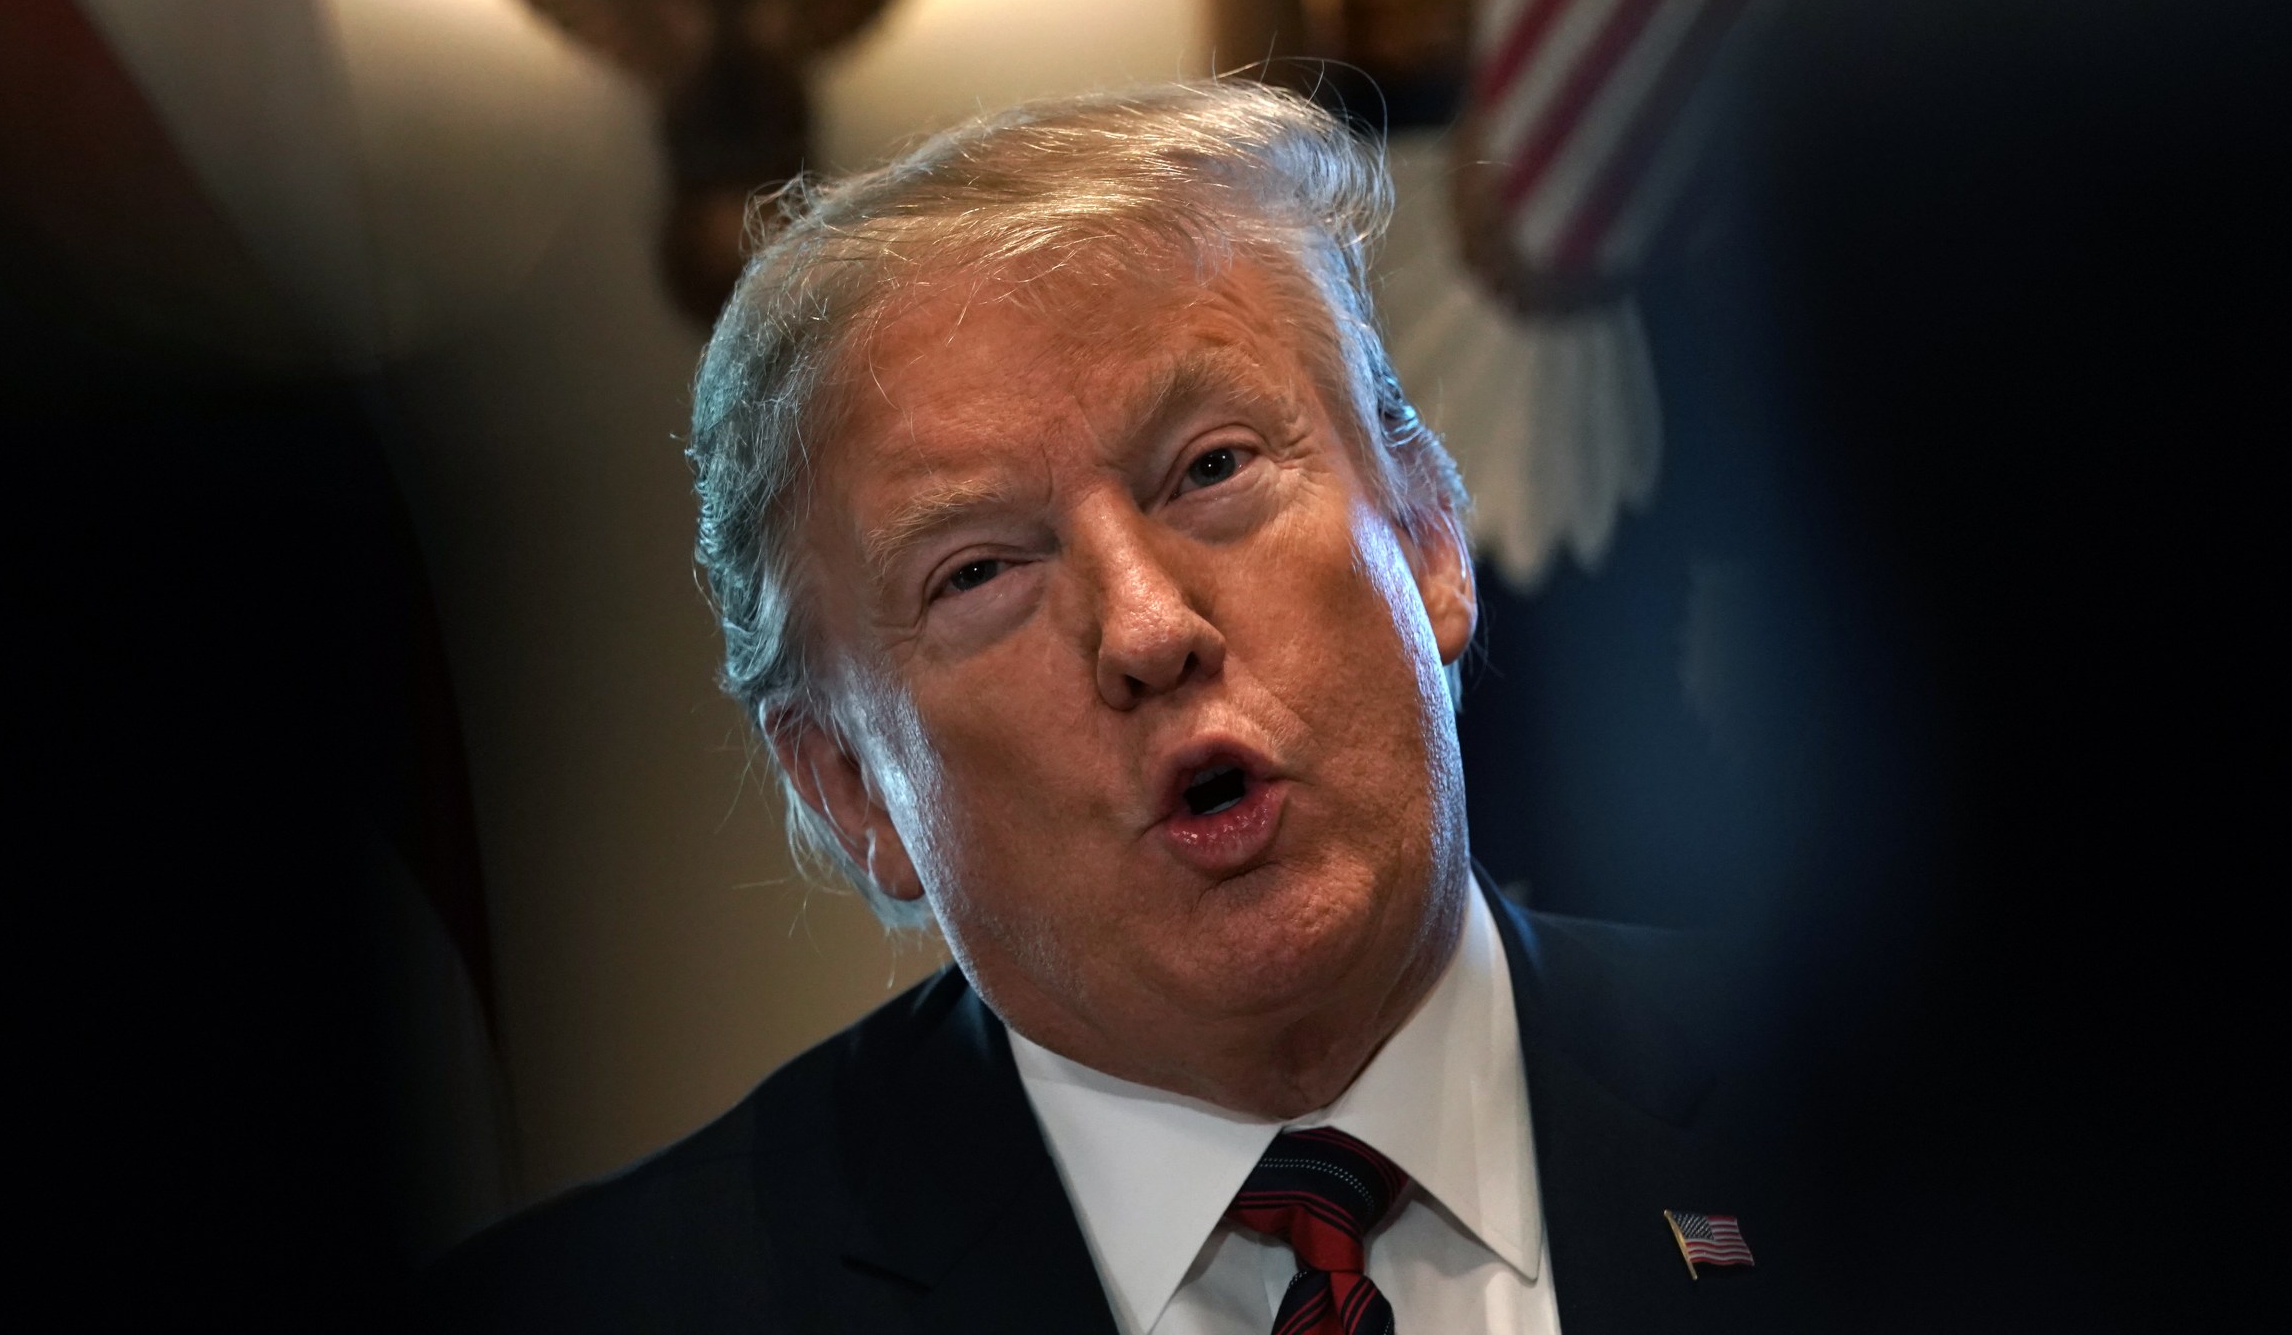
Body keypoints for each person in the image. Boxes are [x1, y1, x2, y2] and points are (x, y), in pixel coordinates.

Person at [426, 81, 1807, 1334]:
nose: (1149, 629)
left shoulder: (1927, 1118)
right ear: (848, 787)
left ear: (1433, 540)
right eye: (979, 571)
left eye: (1210, 468)